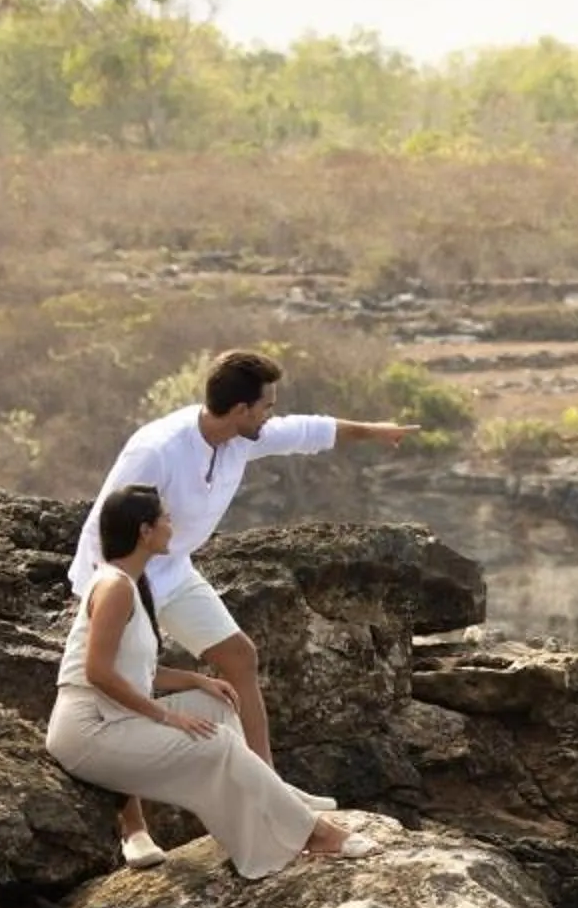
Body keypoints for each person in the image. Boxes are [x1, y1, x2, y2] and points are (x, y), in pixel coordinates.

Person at [69, 348, 418, 866]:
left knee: (240, 657)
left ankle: (270, 788)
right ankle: (133, 829)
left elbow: (306, 432)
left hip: (175, 569)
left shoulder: (240, 437)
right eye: (266, 407)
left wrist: (374, 430)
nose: (271, 415)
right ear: (238, 410)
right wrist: (120, 593)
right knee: (126, 684)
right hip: (120, 573)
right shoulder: (158, 449)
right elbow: (109, 523)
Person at [47, 484, 374, 879]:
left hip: (114, 717)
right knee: (214, 742)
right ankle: (312, 832)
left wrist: (197, 680)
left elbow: (137, 671)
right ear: (144, 531)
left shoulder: (131, 584)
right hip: (88, 732)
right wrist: (168, 718)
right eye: (165, 518)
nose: (172, 525)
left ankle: (254, 825)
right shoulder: (115, 587)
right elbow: (96, 673)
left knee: (217, 706)